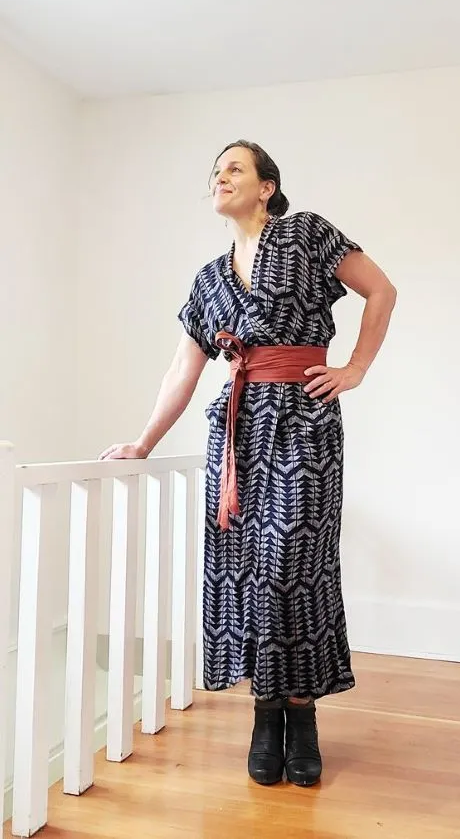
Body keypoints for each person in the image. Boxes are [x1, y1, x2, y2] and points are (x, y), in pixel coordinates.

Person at [99, 139, 396, 787]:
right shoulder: (209, 280)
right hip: (236, 434)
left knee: (296, 564)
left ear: (267, 187)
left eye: (234, 168)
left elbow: (381, 289)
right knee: (244, 571)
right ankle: (265, 713)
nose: (220, 177)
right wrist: (144, 442)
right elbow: (183, 369)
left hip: (304, 420)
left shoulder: (308, 234)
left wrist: (355, 368)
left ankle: (302, 712)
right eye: (215, 171)